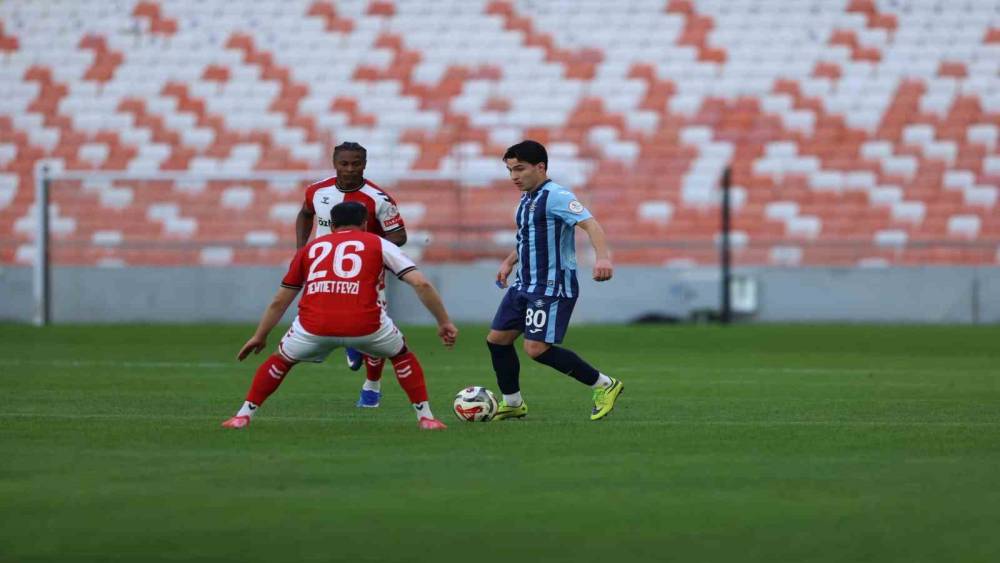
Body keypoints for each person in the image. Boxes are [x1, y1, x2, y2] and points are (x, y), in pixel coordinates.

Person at [223, 201, 457, 430]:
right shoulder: (379, 243)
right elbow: (421, 283)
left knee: (281, 360)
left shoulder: (310, 249)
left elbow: (280, 300)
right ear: (365, 224)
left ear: (332, 226)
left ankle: (242, 416)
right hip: (367, 327)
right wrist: (444, 322)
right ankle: (426, 418)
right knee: (401, 355)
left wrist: (260, 336)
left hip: (313, 328)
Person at [486, 140, 623, 421]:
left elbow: (591, 224)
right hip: (524, 284)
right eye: (510, 170)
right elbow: (528, 238)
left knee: (536, 349)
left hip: (551, 286)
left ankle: (604, 385)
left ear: (540, 167)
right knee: (497, 340)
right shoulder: (526, 200)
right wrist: (509, 261)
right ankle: (512, 403)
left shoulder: (557, 196)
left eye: (520, 169)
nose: (514, 176)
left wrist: (603, 258)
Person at [296, 142, 406, 408]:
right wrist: (301, 251)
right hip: (325, 271)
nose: (349, 169)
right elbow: (305, 214)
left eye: (356, 164)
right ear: (334, 163)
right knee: (328, 317)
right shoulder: (317, 191)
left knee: (374, 326)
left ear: (364, 165)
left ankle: (372, 389)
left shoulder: (378, 199)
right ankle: (347, 345)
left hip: (366, 273)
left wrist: (370, 249)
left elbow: (399, 235)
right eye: (344, 163)